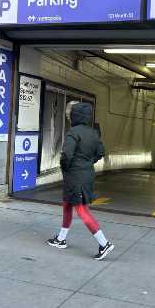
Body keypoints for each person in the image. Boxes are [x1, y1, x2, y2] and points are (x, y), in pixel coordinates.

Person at [47, 102, 114, 260]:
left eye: (70, 114)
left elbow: (66, 155)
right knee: (67, 204)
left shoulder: (73, 133)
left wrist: (66, 167)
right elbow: (100, 152)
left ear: (74, 116)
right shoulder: (93, 133)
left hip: (74, 176)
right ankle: (61, 239)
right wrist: (87, 163)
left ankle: (104, 243)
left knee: (82, 210)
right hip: (86, 174)